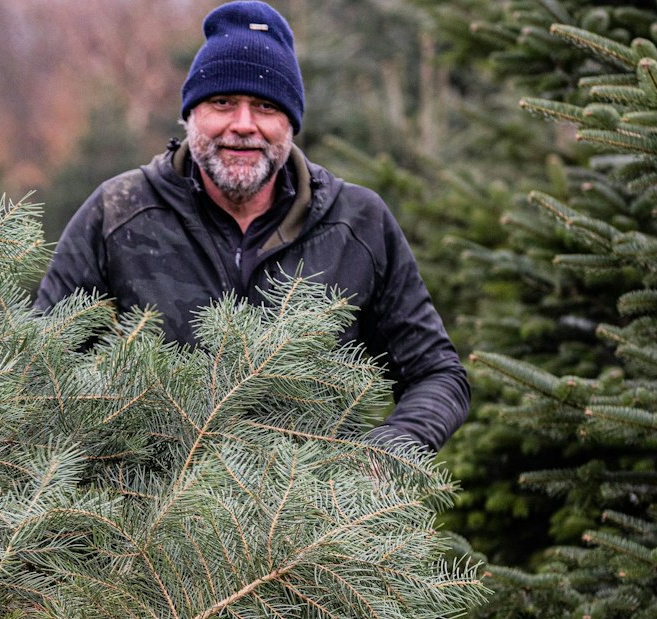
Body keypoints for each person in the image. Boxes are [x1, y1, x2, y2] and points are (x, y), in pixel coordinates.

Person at [35, 0, 469, 451]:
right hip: (145, 511)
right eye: (223, 102)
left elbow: (438, 375)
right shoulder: (117, 212)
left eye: (265, 106)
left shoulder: (357, 222)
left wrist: (385, 456)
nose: (244, 125)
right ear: (191, 116)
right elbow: (41, 366)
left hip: (312, 512)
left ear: (290, 123)